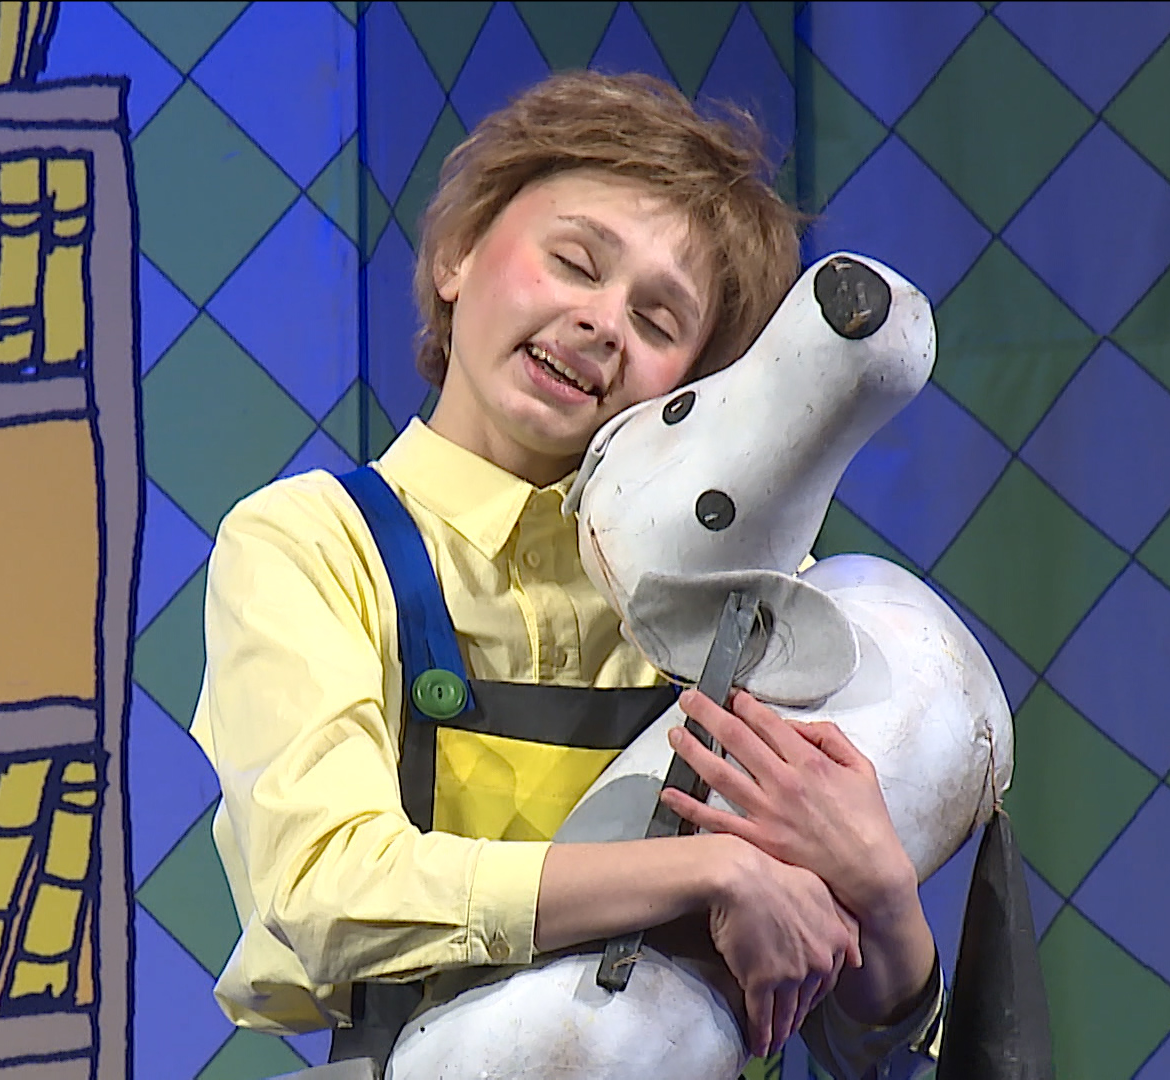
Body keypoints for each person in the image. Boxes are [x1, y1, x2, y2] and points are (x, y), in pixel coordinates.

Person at [189, 70, 944, 1079]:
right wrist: (708, 869)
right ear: (457, 254)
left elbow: (865, 1040)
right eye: (575, 263)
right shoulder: (316, 544)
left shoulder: (754, 607)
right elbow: (325, 889)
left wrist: (885, 899)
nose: (602, 323)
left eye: (659, 322)